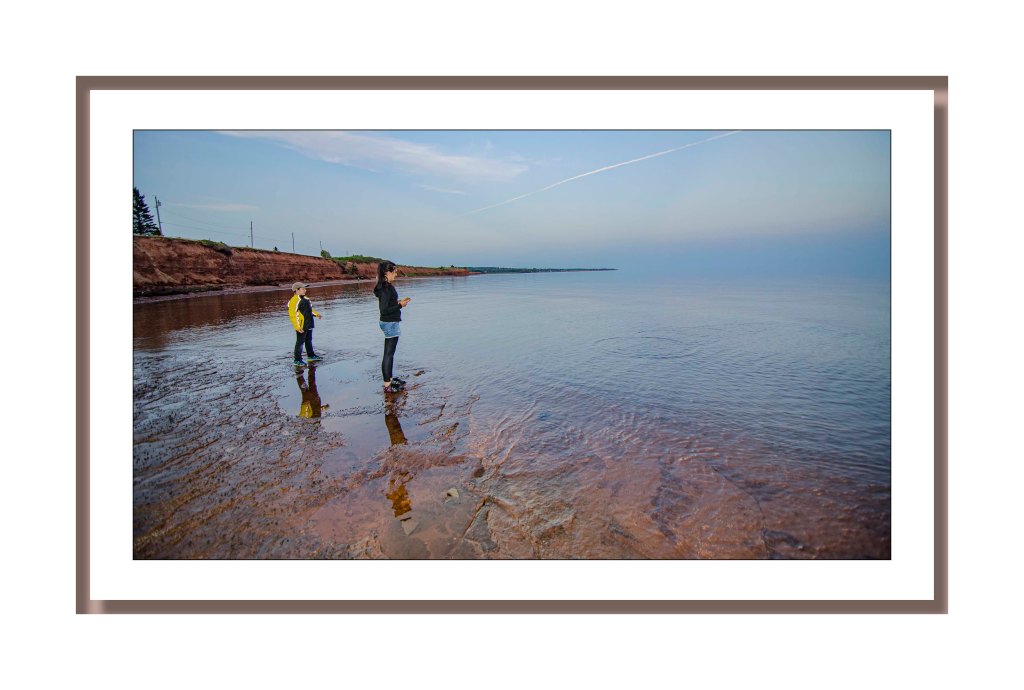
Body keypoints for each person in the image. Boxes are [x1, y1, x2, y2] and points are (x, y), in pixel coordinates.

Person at [373, 261, 411, 393]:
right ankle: (387, 385)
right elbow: (384, 310)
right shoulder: (385, 288)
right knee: (388, 355)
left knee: (390, 354)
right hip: (389, 323)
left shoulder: (386, 287)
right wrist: (400, 305)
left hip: (390, 322)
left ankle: (389, 379)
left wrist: (398, 302)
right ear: (386, 273)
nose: (395, 274)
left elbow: (388, 304)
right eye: (394, 272)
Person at [288, 282, 322, 366]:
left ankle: (311, 356)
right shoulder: (294, 301)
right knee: (300, 342)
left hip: (309, 323)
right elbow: (293, 315)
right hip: (301, 326)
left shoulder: (306, 299)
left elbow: (309, 310)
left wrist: (316, 314)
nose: (305, 290)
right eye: (303, 289)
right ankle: (297, 360)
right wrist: (297, 327)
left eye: (305, 289)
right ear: (297, 290)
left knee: (308, 340)